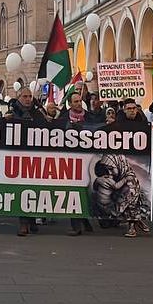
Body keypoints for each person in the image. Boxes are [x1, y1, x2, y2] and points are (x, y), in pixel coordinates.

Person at [104, 98, 152, 237]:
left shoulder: (142, 123)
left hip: (139, 164)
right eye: (129, 108)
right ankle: (133, 224)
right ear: (124, 110)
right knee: (129, 194)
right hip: (122, 164)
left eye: (134, 108)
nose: (132, 111)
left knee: (135, 194)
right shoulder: (118, 124)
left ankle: (135, 222)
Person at [5, 87, 47, 236]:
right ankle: (23, 222)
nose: (28, 99)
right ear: (19, 97)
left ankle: (32, 219)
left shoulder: (37, 113)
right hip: (18, 155)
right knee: (22, 189)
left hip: (35, 156)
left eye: (30, 96)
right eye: (25, 96)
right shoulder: (13, 113)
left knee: (33, 189)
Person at [60, 91, 97, 236]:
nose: (78, 103)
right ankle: (76, 225)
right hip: (71, 159)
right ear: (70, 104)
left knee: (86, 190)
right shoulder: (64, 118)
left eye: (80, 100)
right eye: (75, 101)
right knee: (73, 191)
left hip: (88, 158)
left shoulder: (90, 117)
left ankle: (84, 219)